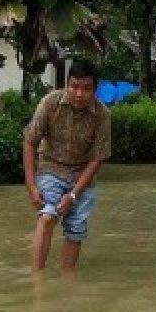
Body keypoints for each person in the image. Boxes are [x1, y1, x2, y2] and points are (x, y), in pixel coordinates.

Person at [22, 59, 111, 272]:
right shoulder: (50, 103)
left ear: (95, 89)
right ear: (67, 85)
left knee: (76, 227)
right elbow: (29, 142)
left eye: (86, 88)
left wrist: (73, 195)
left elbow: (97, 158)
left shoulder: (102, 115)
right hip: (51, 167)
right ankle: (37, 279)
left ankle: (66, 278)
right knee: (48, 216)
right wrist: (32, 187)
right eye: (74, 86)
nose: (79, 93)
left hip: (82, 174)